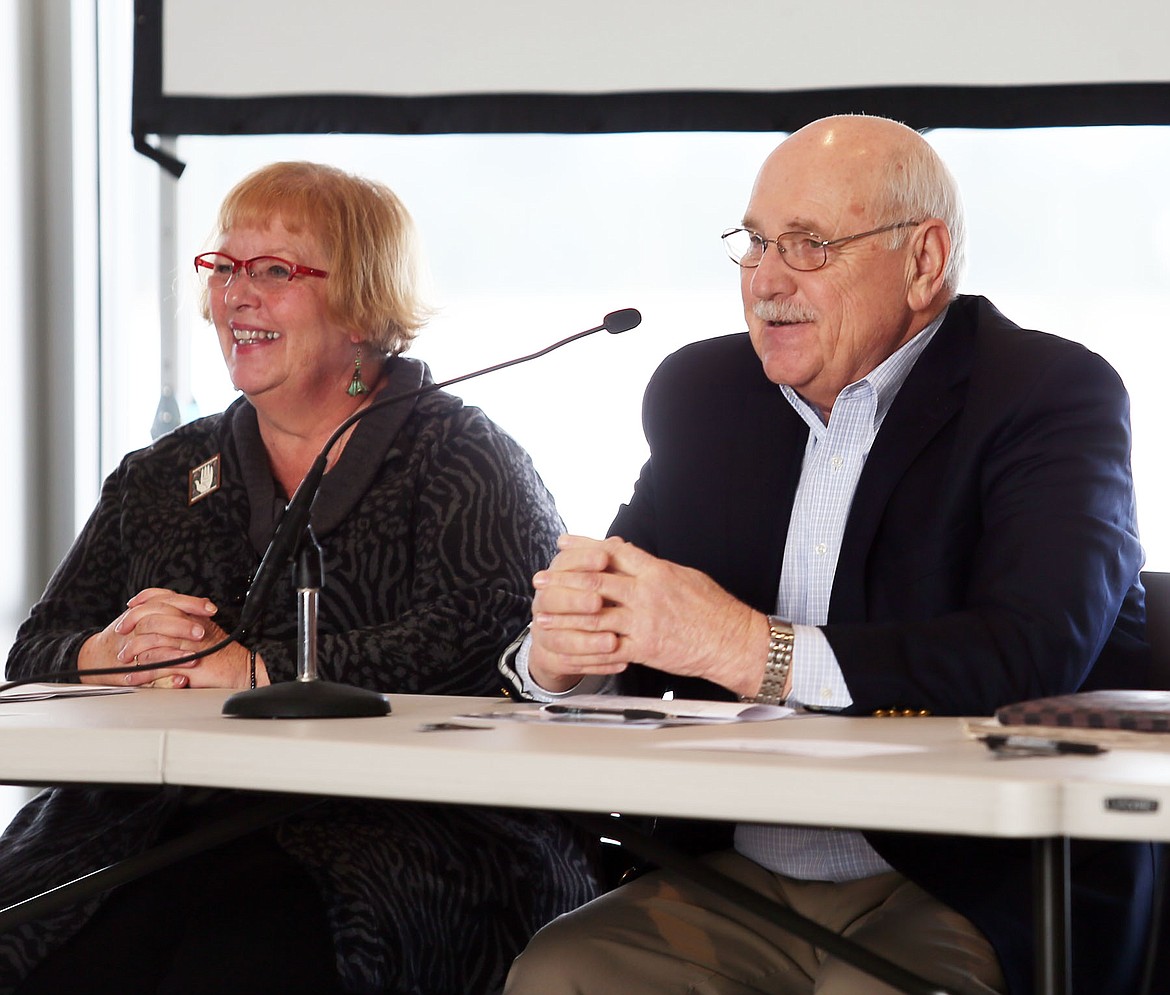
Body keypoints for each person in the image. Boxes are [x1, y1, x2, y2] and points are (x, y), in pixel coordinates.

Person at [501, 115, 1154, 995]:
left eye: (809, 246)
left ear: (924, 261)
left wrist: (749, 648)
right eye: (755, 243)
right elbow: (630, 602)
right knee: (562, 970)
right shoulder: (705, 393)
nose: (766, 280)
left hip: (970, 878)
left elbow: (1032, 652)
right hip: (733, 873)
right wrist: (565, 659)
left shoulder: (1047, 394)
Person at [0, 161, 599, 994]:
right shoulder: (162, 472)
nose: (237, 295)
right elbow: (33, 654)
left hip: (402, 827)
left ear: (361, 304)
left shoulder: (462, 456)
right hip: (151, 821)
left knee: (237, 958)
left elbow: (494, 645)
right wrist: (108, 652)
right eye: (225, 268)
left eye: (275, 271)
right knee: (51, 941)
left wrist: (256, 671)